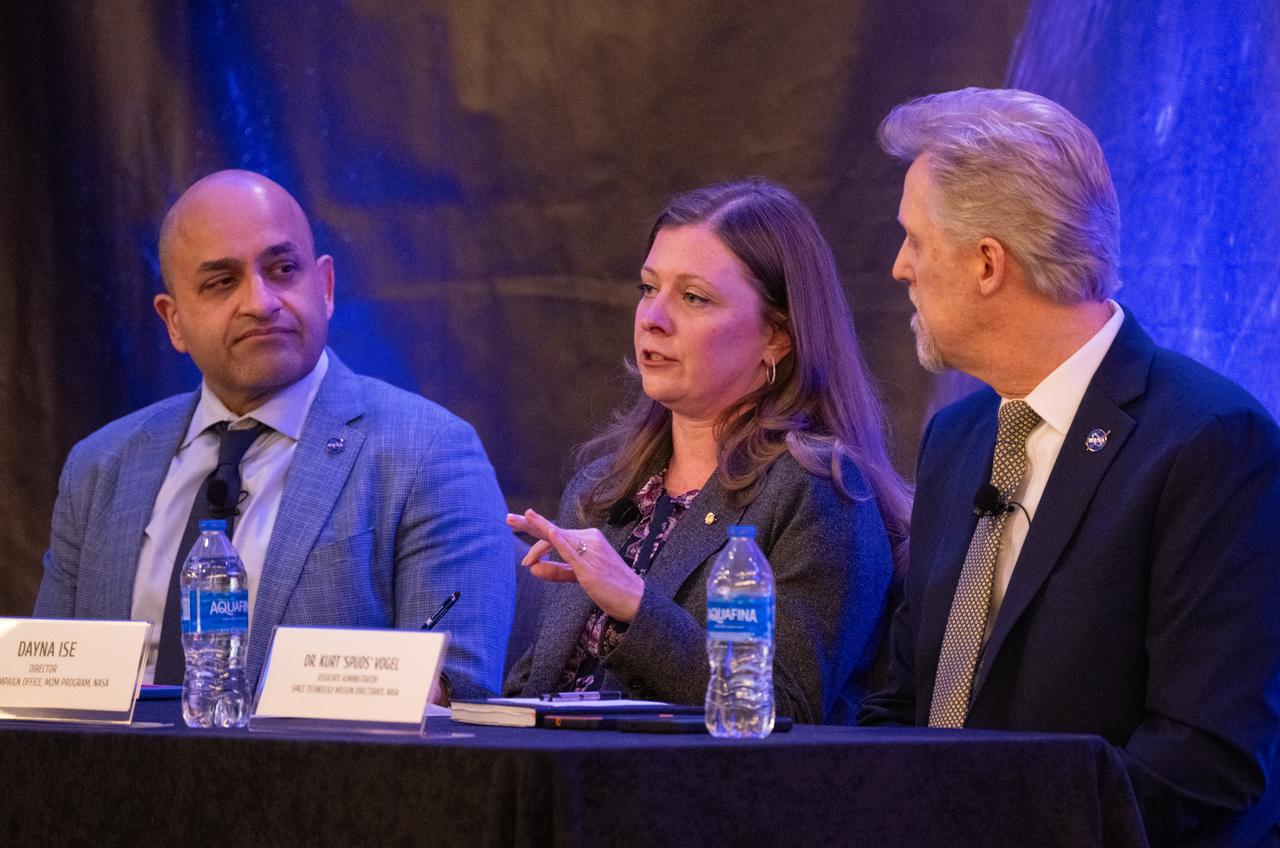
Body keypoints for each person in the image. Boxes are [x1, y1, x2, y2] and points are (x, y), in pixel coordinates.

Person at [857, 88, 1280, 845]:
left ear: (988, 263)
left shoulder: (1211, 440)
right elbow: (902, 704)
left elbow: (1205, 763)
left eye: (914, 241)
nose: (899, 268)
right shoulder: (955, 441)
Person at [34, 169, 514, 701]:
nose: (261, 302)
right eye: (221, 281)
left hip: (323, 780)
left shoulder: (429, 452)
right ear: (173, 321)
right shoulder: (101, 467)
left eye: (283, 269)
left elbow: (458, 689)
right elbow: (46, 689)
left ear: (325, 287)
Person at [503, 179, 909, 724]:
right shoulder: (603, 490)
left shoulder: (818, 491)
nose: (653, 318)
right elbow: (538, 693)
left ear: (777, 336)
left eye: (693, 297)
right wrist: (450, 703)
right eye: (649, 288)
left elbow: (785, 706)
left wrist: (635, 605)